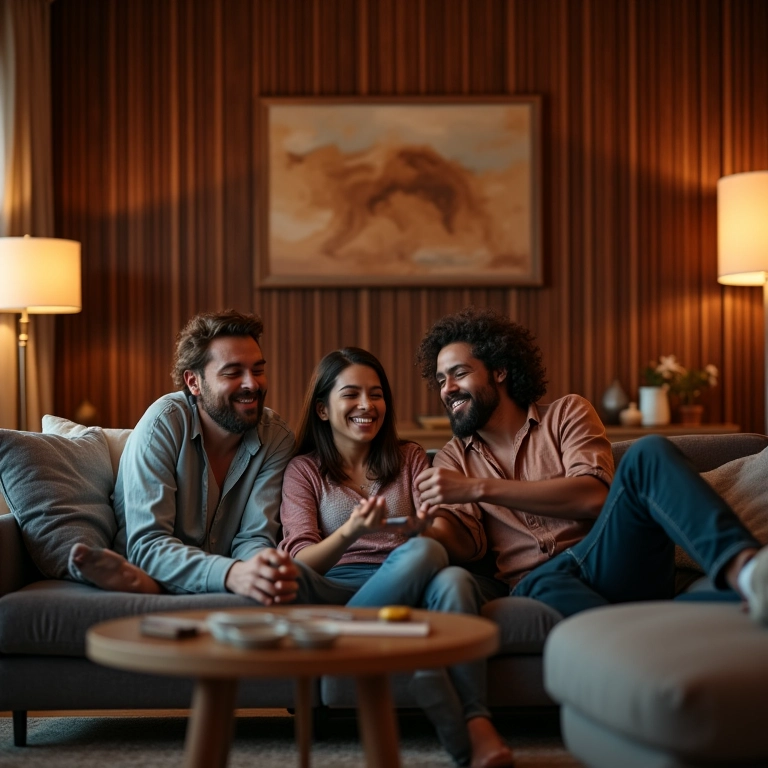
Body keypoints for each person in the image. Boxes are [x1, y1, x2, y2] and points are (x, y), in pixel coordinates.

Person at [414, 305, 768, 621]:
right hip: (537, 581)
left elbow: (593, 498)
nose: (447, 389)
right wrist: (421, 529)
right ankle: (636, 637)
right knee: (544, 581)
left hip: (607, 558)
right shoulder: (452, 458)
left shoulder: (568, 413)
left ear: (500, 371)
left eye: (459, 373)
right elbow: (466, 544)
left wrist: (479, 488)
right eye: (442, 380)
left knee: (649, 453)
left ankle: (748, 573)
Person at [278, 347, 510, 768]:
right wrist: (351, 532)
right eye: (351, 394)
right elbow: (302, 560)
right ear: (323, 410)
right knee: (294, 576)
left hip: (414, 574)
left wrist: (425, 527)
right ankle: (470, 729)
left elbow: (441, 532)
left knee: (444, 569)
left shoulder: (410, 458)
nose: (367, 405)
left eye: (376, 393)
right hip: (338, 582)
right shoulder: (304, 470)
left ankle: (476, 725)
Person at [68, 309, 300, 605]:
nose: (252, 384)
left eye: (257, 370)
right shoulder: (163, 423)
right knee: (148, 560)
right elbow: (148, 544)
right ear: (194, 382)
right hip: (161, 561)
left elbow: (255, 536)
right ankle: (144, 582)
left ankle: (148, 585)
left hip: (228, 575)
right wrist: (231, 574)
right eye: (233, 373)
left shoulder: (277, 437)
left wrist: (256, 572)